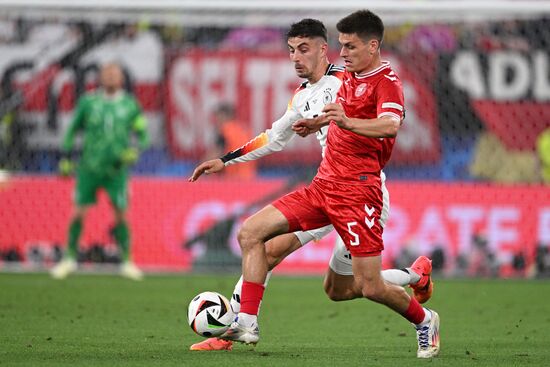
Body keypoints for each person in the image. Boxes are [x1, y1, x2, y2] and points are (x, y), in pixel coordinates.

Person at [188, 17, 435, 356]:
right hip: (324, 188)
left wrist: (337, 121)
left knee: (360, 286)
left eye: (303, 49)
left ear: (323, 49)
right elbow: (273, 138)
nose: (295, 58)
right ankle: (239, 323)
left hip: (360, 194)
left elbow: (384, 123)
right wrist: (225, 160)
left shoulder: (346, 80)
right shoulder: (303, 96)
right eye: (291, 51)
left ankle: (413, 284)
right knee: (263, 244)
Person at [50, 63, 149, 281]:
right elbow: (72, 131)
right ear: (100, 78)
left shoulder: (130, 105)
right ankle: (69, 258)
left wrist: (135, 150)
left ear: (122, 79)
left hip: (116, 171)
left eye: (115, 73)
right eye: (107, 73)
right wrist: (66, 157)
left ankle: (127, 261)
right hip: (89, 168)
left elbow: (143, 134)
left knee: (121, 214)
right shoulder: (88, 102)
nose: (111, 76)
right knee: (78, 212)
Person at [206, 103, 257, 180]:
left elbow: (215, 154)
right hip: (250, 177)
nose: (216, 121)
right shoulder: (244, 131)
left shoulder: (225, 130)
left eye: (218, 117)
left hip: (232, 178)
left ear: (225, 116)